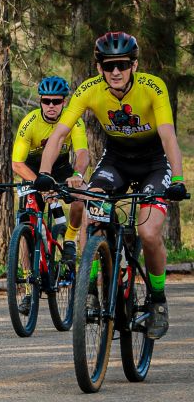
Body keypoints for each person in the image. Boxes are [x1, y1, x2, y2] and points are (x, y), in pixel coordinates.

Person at [34, 32, 188, 339]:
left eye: (121, 65)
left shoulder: (152, 87)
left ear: (134, 65)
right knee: (95, 213)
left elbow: (169, 136)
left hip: (154, 163)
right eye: (108, 66)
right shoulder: (89, 90)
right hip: (116, 160)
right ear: (99, 67)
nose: (115, 72)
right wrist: (44, 173)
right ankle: (90, 288)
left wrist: (179, 180)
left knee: (148, 231)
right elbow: (59, 134)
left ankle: (157, 300)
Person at [11, 76, 89, 314]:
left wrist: (77, 173)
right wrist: (40, 184)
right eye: (46, 101)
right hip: (34, 172)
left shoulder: (72, 121)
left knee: (79, 199)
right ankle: (26, 288)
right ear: (41, 101)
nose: (51, 105)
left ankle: (69, 240)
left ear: (64, 102)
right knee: (26, 225)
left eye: (56, 101)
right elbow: (17, 163)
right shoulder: (30, 122)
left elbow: (83, 153)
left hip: (63, 169)